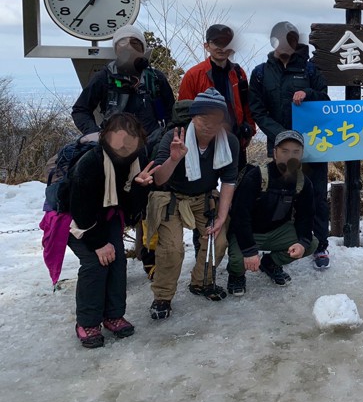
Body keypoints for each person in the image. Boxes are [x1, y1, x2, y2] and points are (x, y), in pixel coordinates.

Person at [65, 113, 158, 348]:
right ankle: (87, 322)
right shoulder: (91, 163)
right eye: (119, 139)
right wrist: (98, 243)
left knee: (117, 262)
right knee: (96, 263)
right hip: (74, 221)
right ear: (105, 137)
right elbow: (79, 209)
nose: (124, 146)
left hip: (109, 217)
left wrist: (139, 187)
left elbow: (130, 210)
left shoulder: (137, 160)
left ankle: (113, 316)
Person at [147, 88, 239, 319]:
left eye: (215, 120)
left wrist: (220, 217)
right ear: (193, 117)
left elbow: (228, 181)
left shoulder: (229, 142)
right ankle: (163, 296)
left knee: (217, 241)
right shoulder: (174, 136)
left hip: (204, 196)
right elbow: (158, 179)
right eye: (202, 118)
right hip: (171, 197)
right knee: (172, 249)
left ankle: (201, 282)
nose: (208, 125)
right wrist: (173, 158)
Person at [249, 21, 332, 269]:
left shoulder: (310, 71)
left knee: (316, 195)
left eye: (291, 39)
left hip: (313, 145)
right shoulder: (261, 72)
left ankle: (320, 245)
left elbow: (325, 100)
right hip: (279, 148)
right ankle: (281, 246)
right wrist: (282, 135)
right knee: (278, 196)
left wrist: (308, 93)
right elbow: (257, 110)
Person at [226, 130, 319, 296]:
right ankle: (236, 275)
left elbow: (306, 216)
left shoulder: (303, 183)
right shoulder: (256, 176)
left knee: (310, 243)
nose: (290, 156)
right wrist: (249, 251)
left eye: (296, 152)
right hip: (247, 232)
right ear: (275, 153)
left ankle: (270, 263)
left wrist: (302, 243)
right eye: (285, 151)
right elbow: (240, 217)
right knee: (238, 261)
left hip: (278, 231)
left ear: (301, 154)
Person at [71, 25, 175, 148]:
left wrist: (166, 136)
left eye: (135, 43)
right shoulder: (104, 77)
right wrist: (95, 134)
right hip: (115, 149)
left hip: (152, 146)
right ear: (116, 50)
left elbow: (171, 112)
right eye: (122, 43)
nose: (129, 48)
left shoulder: (155, 78)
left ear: (143, 49)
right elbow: (80, 110)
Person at [178, 24, 256, 169]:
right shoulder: (194, 75)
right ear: (207, 46)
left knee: (237, 184)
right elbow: (183, 112)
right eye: (217, 43)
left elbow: (246, 105)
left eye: (226, 43)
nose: (222, 47)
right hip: (205, 141)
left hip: (235, 139)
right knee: (207, 187)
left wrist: (250, 130)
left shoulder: (239, 73)